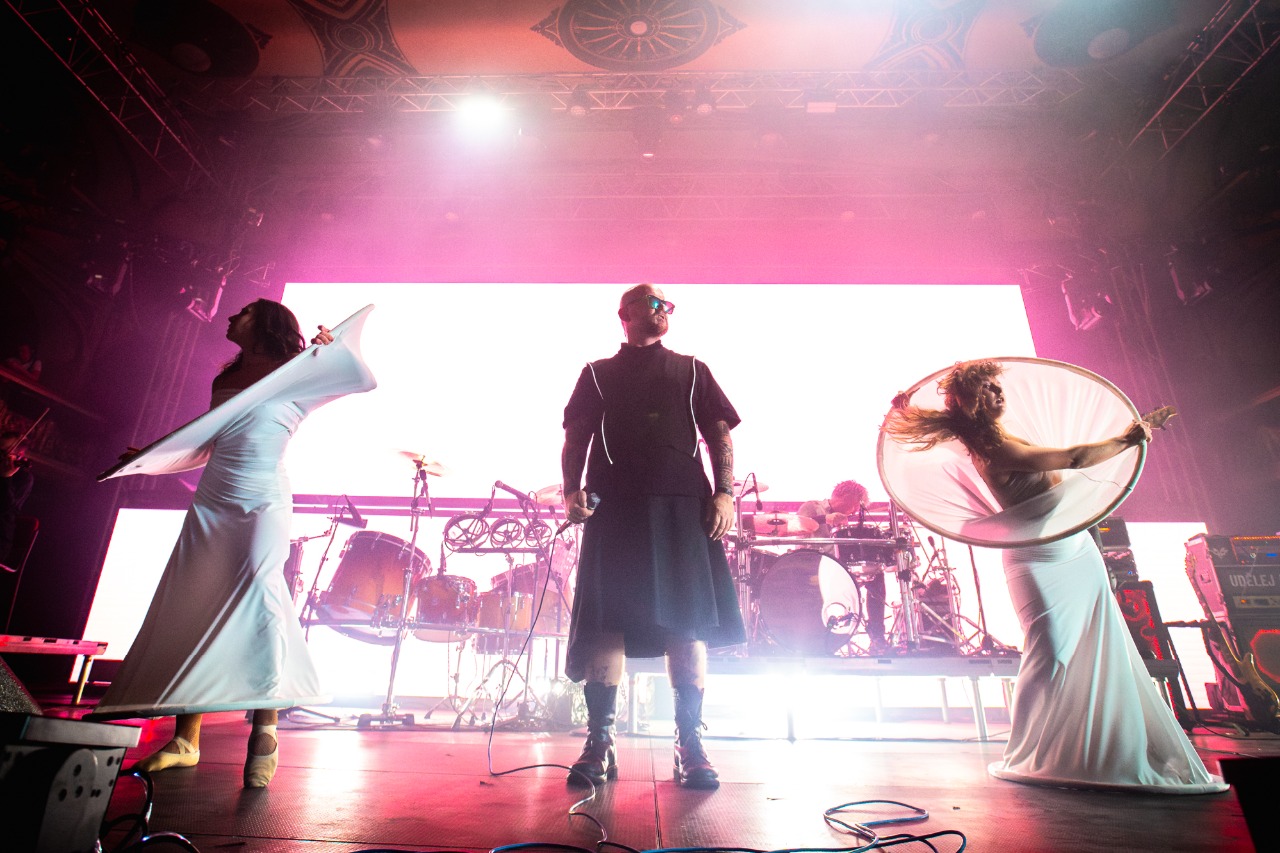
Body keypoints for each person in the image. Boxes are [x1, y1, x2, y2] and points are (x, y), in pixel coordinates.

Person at [883, 360, 1227, 794]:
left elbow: (1066, 490)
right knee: (1052, 650)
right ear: (970, 403)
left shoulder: (999, 438)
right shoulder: (993, 450)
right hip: (1037, 556)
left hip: (1075, 549)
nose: (998, 394)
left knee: (1098, 642)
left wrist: (911, 408)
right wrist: (1129, 437)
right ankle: (1030, 749)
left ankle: (1098, 746)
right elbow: (1074, 458)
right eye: (987, 389)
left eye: (997, 387)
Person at [91, 299, 349, 789]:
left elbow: (356, 378)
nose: (230, 318)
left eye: (242, 312)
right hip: (214, 500)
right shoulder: (223, 380)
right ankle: (186, 741)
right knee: (198, 601)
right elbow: (210, 445)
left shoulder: (299, 370)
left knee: (262, 600)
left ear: (268, 322)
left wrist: (330, 352)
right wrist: (154, 457)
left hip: (263, 499)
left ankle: (265, 731)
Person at [560, 283, 745, 790]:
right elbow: (576, 435)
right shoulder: (597, 373)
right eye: (654, 302)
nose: (664, 310)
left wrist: (725, 493)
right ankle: (600, 741)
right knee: (607, 620)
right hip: (614, 506)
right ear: (625, 313)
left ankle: (690, 744)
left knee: (687, 624)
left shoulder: (692, 369)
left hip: (683, 507)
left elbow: (719, 433)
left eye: (668, 305)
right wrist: (571, 489)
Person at [796, 480, 890, 655]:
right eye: (857, 504)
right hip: (814, 567)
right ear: (847, 496)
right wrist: (825, 519)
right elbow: (797, 524)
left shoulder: (845, 521)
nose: (856, 510)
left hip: (839, 569)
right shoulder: (813, 507)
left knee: (876, 575)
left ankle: (877, 637)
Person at [0, 431, 35, 570]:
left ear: (19, 455)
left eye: (2, 452)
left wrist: (5, 478)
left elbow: (5, 509)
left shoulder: (24, 478)